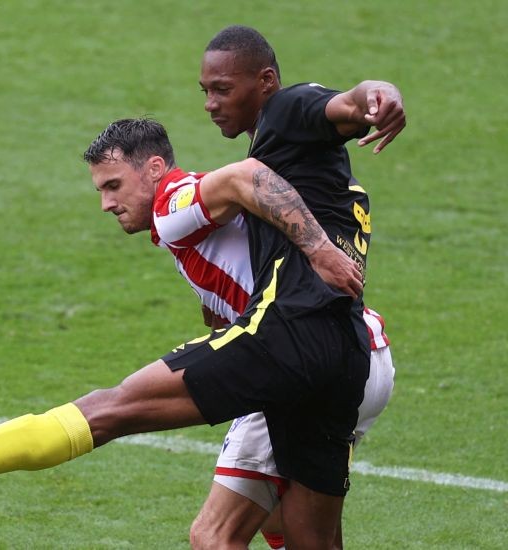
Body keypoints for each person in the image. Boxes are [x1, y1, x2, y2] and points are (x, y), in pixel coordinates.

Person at [0, 114, 398, 549]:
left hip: (302, 352)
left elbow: (246, 176)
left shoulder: (175, 202)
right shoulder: (189, 237)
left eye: (113, 185)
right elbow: (237, 293)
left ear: (154, 169)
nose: (105, 203)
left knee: (110, 416)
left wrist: (319, 250)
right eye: (99, 190)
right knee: (268, 526)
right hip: (358, 356)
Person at [188, 25, 404, 549]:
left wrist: (379, 96)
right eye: (205, 92)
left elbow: (345, 105)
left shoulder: (285, 111)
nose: (211, 104)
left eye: (222, 89)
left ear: (264, 81)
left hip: (300, 346)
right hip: (350, 352)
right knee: (298, 533)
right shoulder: (301, 162)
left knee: (212, 536)